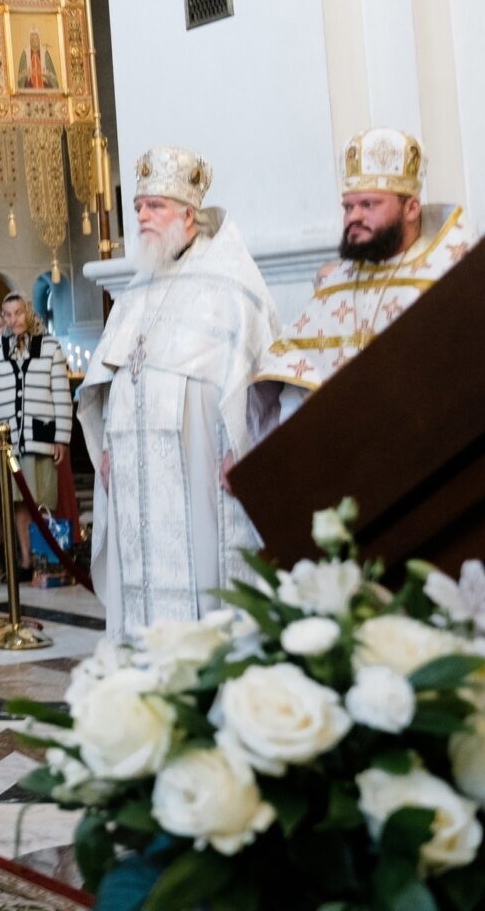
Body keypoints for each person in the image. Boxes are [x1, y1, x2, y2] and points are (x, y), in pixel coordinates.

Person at [79, 147, 279, 639]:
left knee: (201, 576)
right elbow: (111, 380)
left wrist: (245, 453)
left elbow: (254, 381)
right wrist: (107, 445)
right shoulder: (138, 289)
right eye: (140, 207)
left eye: (156, 207)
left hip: (198, 467)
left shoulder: (231, 287)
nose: (143, 216)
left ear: (189, 214)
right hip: (134, 469)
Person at [248, 128, 471, 438]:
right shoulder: (336, 284)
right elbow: (296, 388)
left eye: (369, 205)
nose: (353, 216)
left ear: (411, 208)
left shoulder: (454, 275)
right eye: (348, 207)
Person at [0, 292, 72, 570]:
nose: (12, 319)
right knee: (18, 502)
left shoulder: (50, 346)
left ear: (28, 313)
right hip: (9, 440)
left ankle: (46, 557)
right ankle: (26, 559)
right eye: (7, 314)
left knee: (43, 501)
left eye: (18, 313)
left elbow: (61, 394)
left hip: (41, 436)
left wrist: (61, 438)